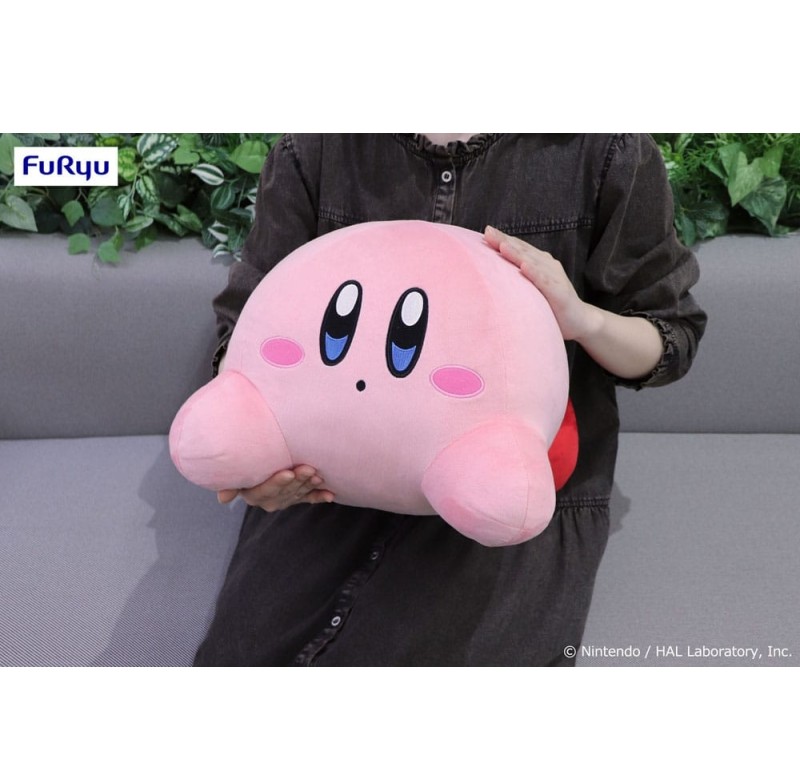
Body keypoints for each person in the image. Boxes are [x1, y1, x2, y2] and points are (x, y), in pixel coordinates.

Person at [193, 133, 707, 666]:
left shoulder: (604, 152)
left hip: (498, 485)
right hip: (325, 486)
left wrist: (583, 320)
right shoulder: (318, 147)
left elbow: (671, 335)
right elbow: (248, 323)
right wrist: (255, 458)